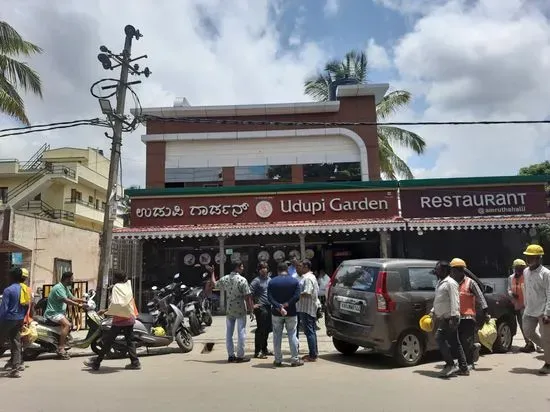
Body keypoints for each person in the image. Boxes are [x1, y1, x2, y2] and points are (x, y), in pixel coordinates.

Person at [84, 270, 140, 371]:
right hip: (129, 318)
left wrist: (105, 311)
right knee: (130, 341)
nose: (113, 279)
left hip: (119, 320)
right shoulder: (127, 286)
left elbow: (116, 304)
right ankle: (135, 363)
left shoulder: (116, 287)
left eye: (114, 277)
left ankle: (97, 363)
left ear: (116, 279)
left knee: (108, 342)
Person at [430, 260, 469, 377]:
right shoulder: (440, 283)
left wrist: (454, 316)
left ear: (445, 270)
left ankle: (450, 364)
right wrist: (432, 312)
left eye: (438, 269)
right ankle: (463, 367)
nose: (436, 272)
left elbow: (455, 300)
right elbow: (439, 300)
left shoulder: (450, 283)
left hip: (450, 318)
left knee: (439, 338)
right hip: (444, 317)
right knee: (455, 343)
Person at [449, 258, 489, 370]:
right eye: (451, 271)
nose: (452, 273)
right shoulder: (451, 283)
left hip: (468, 317)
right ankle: (463, 361)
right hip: (454, 317)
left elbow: (480, 298)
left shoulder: (470, 283)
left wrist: (485, 312)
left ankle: (470, 362)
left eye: (454, 271)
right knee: (457, 342)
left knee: (466, 341)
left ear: (461, 271)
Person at [210, 262, 254, 363]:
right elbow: (248, 297)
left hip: (229, 309)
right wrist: (251, 310)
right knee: (241, 332)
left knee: (229, 333)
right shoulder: (242, 280)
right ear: (237, 268)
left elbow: (214, 284)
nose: (243, 268)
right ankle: (240, 355)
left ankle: (230, 355)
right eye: (241, 266)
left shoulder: (225, 278)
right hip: (240, 309)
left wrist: (212, 272)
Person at [521, 244, 550, 375]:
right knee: (527, 331)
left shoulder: (546, 274)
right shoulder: (525, 271)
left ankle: (548, 363)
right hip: (530, 309)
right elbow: (526, 289)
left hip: (543, 310)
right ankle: (547, 349)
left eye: (531, 257)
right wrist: (525, 305)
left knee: (546, 337)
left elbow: (549, 293)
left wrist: (547, 313)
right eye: (527, 256)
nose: (528, 259)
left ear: (538, 258)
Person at [43, 271, 86, 359]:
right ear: (67, 279)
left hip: (59, 313)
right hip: (53, 313)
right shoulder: (59, 288)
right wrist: (79, 305)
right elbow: (66, 300)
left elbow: (72, 297)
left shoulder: (65, 287)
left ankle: (63, 341)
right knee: (67, 325)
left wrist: (83, 300)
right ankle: (61, 347)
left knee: (70, 323)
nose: (73, 281)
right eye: (72, 279)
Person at [268, 262, 302, 367]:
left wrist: (279, 307)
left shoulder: (272, 282)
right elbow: (297, 297)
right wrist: (286, 305)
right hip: (291, 312)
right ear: (287, 270)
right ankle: (295, 359)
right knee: (292, 334)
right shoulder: (294, 281)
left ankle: (278, 360)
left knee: (277, 336)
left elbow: (270, 298)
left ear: (278, 270)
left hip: (276, 313)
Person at [0, 267, 29, 378]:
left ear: (12, 277)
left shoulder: (8, 290)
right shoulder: (24, 289)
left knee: (2, 341)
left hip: (8, 319)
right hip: (19, 319)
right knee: (16, 343)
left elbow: (3, 309)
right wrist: (22, 319)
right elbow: (26, 305)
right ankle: (15, 369)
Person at [508, 258, 535, 353]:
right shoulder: (511, 278)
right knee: (522, 326)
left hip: (526, 306)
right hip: (516, 305)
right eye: (517, 268)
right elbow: (509, 289)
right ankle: (528, 343)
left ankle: (534, 344)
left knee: (528, 326)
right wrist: (512, 294)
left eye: (521, 268)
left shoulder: (527, 277)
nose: (519, 270)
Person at [296, 259, 319, 362]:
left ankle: (312, 355)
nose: (298, 268)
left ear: (306, 267)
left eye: (300, 266)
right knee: (312, 331)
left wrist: (295, 295)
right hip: (308, 308)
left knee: (309, 332)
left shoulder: (308, 278)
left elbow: (307, 292)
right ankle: (314, 352)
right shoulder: (309, 277)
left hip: (307, 308)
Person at [250, 262, 272, 359]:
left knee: (267, 329)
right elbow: (249, 294)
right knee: (260, 330)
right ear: (259, 270)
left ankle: (264, 349)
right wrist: (252, 306)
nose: (264, 269)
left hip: (269, 307)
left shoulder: (270, 280)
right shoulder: (256, 281)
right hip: (260, 308)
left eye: (266, 268)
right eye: (262, 268)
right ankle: (257, 351)